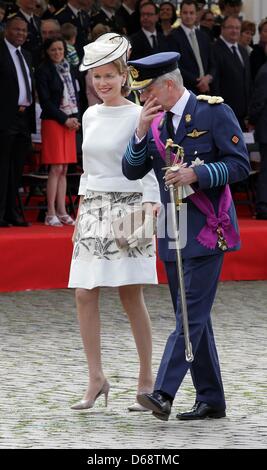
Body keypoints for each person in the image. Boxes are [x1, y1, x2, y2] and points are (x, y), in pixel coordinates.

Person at [122, 51, 250, 421]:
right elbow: (132, 171)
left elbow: (240, 164)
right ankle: (211, 398)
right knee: (194, 317)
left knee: (190, 316)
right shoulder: (158, 125)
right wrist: (141, 132)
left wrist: (198, 174)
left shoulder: (212, 112)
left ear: (168, 85)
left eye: (147, 91)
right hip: (173, 232)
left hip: (210, 229)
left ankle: (162, 391)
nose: (143, 99)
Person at [68, 33, 161, 412]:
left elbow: (147, 163)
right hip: (93, 208)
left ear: (124, 75)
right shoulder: (90, 114)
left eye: (109, 76)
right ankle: (96, 378)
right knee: (83, 293)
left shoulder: (139, 114)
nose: (102, 83)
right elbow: (88, 168)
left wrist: (153, 204)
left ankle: (146, 380)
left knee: (130, 295)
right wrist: (80, 208)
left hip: (130, 207)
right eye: (96, 77)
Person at [35, 37, 80, 226]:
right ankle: (50, 212)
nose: (57, 53)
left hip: (69, 121)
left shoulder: (69, 69)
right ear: (47, 51)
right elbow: (45, 102)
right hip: (54, 121)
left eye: (60, 49)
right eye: (53, 50)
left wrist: (75, 118)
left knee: (64, 168)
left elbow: (76, 95)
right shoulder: (43, 71)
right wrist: (65, 119)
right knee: (55, 168)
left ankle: (62, 210)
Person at [248, 61, 267, 220]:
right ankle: (263, 208)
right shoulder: (265, 71)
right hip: (265, 131)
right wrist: (252, 119)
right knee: (265, 171)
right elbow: (258, 101)